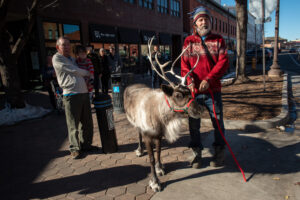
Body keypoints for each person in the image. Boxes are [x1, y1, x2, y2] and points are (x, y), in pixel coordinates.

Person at [181, 7, 229, 168]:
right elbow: (184, 66)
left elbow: (223, 63)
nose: (204, 22)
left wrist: (209, 79)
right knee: (194, 125)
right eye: (200, 19)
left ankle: (219, 152)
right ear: (195, 23)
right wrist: (190, 82)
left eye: (207, 19)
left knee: (218, 123)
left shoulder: (218, 40)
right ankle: (197, 154)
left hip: (213, 91)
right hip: (194, 93)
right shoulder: (188, 42)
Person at [52, 36, 97, 159]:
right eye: (63, 45)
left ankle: (86, 145)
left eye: (68, 44)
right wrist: (88, 73)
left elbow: (82, 67)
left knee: (87, 122)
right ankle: (74, 148)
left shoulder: (73, 58)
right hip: (71, 95)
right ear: (58, 47)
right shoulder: (57, 58)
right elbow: (74, 70)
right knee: (73, 124)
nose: (66, 47)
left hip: (83, 93)